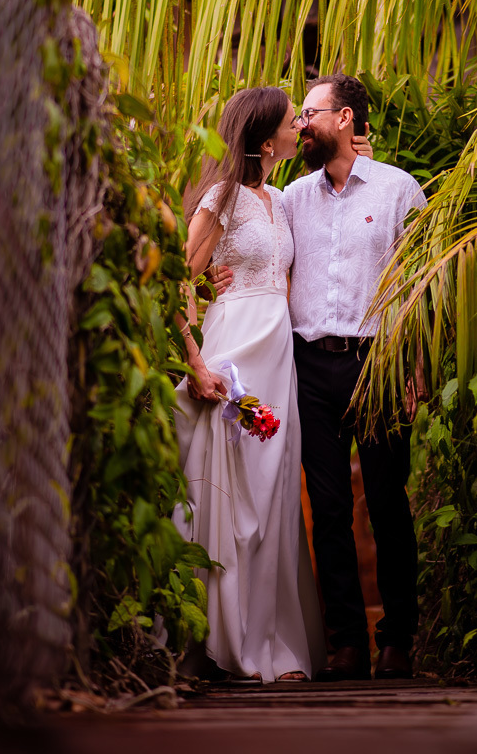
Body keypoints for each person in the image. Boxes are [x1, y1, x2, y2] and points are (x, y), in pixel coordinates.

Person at [174, 85, 371, 683]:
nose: (301, 128)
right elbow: (177, 280)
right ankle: (219, 641)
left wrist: (356, 147)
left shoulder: (281, 199)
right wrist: (195, 365)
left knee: (276, 498)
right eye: (294, 122)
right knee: (233, 496)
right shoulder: (222, 195)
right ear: (267, 140)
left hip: (279, 354)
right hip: (233, 350)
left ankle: (271, 641)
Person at [282, 74, 428, 682]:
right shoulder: (291, 197)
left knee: (388, 504)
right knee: (329, 506)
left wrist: (417, 366)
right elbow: (264, 258)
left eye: (309, 114)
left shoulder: (400, 191)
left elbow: (421, 285)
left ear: (343, 118)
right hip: (311, 365)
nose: (300, 125)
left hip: (379, 363)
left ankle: (397, 640)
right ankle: (346, 643)